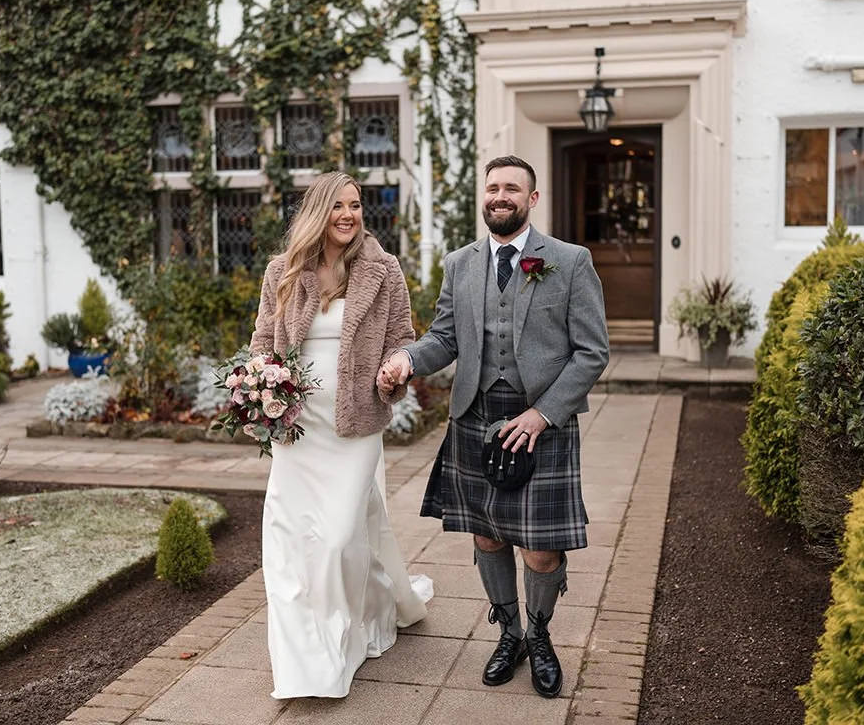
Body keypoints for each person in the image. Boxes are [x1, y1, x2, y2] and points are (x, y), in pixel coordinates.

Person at [378, 155, 609, 699]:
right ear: (483, 197)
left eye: (512, 189)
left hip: (541, 420)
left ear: (532, 199)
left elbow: (592, 351)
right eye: (492, 188)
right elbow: (445, 338)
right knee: (486, 535)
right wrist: (408, 360)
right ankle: (508, 633)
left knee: (541, 548)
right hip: (475, 418)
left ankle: (540, 633)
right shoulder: (460, 264)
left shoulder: (570, 261)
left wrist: (542, 413)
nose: (500, 196)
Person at [249, 170, 433, 699]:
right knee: (289, 544)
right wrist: (262, 384)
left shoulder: (383, 269)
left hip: (355, 427)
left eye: (355, 205)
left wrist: (397, 366)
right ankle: (306, 664)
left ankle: (356, 624)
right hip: (298, 427)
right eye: (338, 206)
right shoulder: (281, 271)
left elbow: (403, 336)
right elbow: (263, 339)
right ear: (318, 212)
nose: (349, 214)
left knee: (335, 541)